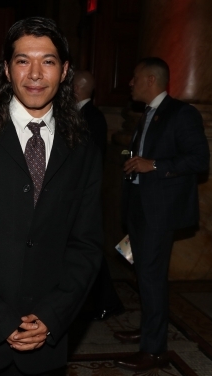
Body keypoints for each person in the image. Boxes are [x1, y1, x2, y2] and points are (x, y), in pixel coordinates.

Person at [0, 17, 104, 375]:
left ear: (64, 71)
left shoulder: (83, 148)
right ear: (7, 70)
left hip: (45, 341)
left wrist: (52, 315)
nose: (35, 74)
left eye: (48, 61)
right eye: (23, 60)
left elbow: (86, 245)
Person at [113, 57, 209, 371]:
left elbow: (199, 159)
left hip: (159, 211)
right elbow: (142, 152)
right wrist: (130, 159)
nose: (130, 83)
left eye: (135, 77)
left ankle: (154, 350)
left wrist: (153, 164)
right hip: (139, 205)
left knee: (152, 278)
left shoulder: (181, 113)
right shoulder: (147, 114)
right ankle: (148, 330)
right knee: (144, 275)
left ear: (151, 80)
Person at [73, 70, 125, 321]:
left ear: (76, 88)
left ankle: (107, 301)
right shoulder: (78, 114)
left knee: (89, 249)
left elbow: (89, 158)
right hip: (76, 192)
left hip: (82, 193)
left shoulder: (92, 117)